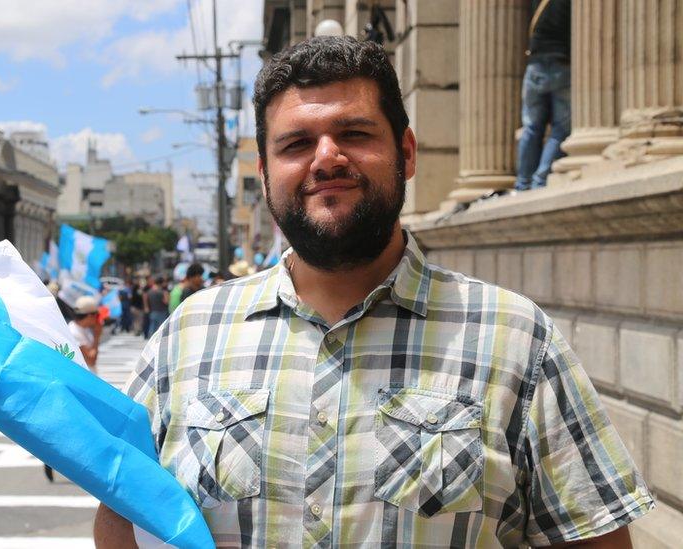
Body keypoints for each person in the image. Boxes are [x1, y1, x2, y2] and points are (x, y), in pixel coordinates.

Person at [96, 37, 651, 547]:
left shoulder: (516, 339)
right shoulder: (188, 337)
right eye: (296, 143)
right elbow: (121, 524)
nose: (326, 158)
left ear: (406, 153)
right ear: (264, 174)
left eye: (355, 134)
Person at [46, 295, 102, 484]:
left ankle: (53, 456)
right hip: (79, 388)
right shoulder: (75, 332)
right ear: (90, 315)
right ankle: (52, 455)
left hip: (84, 385)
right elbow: (91, 358)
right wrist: (98, 336)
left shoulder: (79, 329)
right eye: (96, 316)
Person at [515, 0, 571, 191]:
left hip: (535, 67)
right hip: (561, 64)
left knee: (531, 127)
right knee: (561, 129)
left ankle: (522, 183)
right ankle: (541, 180)